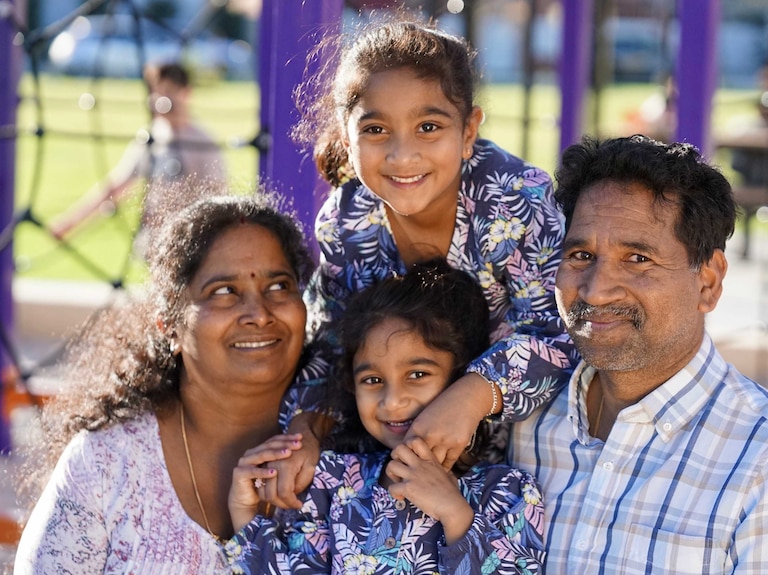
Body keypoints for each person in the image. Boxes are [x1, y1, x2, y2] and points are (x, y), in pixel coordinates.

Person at [509, 135, 768, 572]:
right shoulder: (524, 420)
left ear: (708, 282)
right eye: (581, 255)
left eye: (638, 259)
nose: (596, 290)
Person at [276, 15, 575, 507]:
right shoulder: (347, 224)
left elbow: (562, 335)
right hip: (392, 453)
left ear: (468, 130)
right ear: (347, 140)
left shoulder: (514, 201)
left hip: (519, 467)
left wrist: (475, 394)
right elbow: (330, 345)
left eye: (428, 127)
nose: (402, 155)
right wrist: (306, 428)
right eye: (376, 130)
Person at [14, 194, 313, 573]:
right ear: (169, 325)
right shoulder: (107, 463)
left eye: (279, 286)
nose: (259, 313)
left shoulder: (340, 456)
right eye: (224, 291)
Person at [226, 259, 546, 573]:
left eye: (417, 374)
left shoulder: (507, 494)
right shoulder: (333, 484)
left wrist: (455, 515)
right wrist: (244, 515)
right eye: (373, 380)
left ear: (460, 378)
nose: (392, 402)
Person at [50, 62, 226, 256]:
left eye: (169, 92)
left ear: (186, 93)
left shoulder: (202, 143)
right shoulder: (150, 137)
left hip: (191, 246)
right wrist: (71, 222)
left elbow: (216, 198)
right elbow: (116, 186)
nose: (161, 100)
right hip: (157, 244)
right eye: (156, 92)